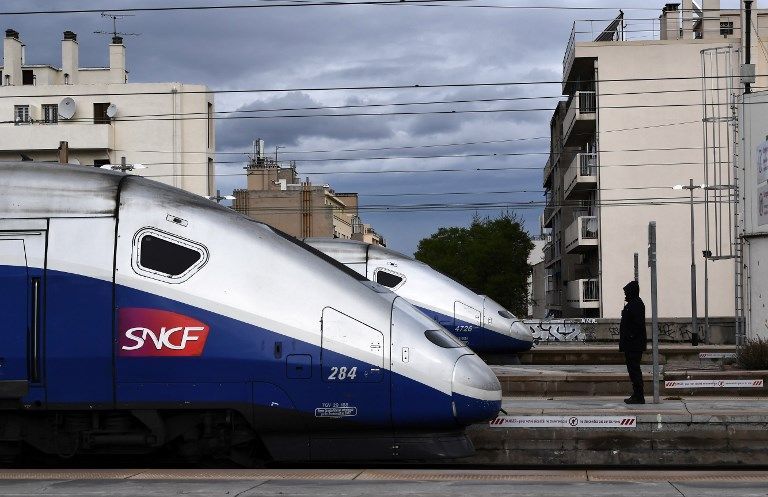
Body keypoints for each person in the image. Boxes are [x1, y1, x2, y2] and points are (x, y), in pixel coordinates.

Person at [619, 280, 647, 404]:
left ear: (632, 292)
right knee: (633, 370)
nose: (625, 295)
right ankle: (637, 394)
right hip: (632, 344)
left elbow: (637, 325)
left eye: (626, 292)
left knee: (634, 370)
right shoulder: (633, 304)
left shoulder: (636, 304)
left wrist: (630, 336)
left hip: (633, 345)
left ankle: (639, 396)